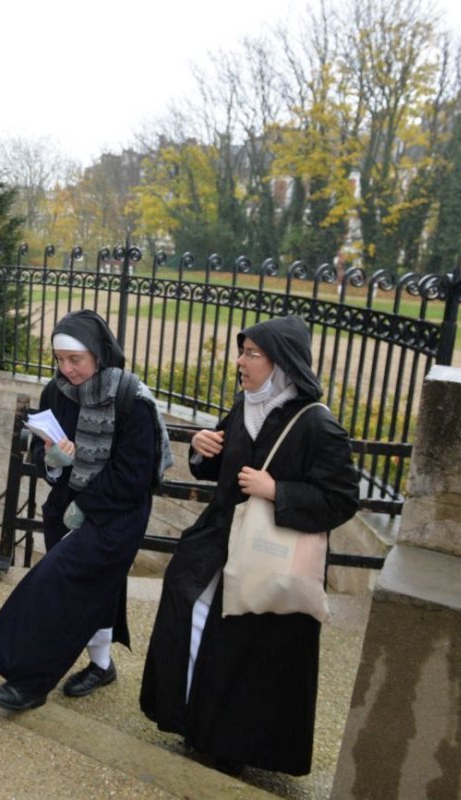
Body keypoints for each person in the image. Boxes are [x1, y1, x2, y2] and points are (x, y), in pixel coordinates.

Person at [140, 315, 359, 776]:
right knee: (190, 612)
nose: (240, 362)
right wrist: (201, 449)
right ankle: (188, 718)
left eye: (251, 354)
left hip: (269, 557)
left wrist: (277, 490)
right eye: (242, 352)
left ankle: (232, 745)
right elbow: (215, 466)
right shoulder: (245, 407)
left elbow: (341, 499)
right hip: (219, 542)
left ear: (280, 364)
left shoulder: (318, 427)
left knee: (245, 649)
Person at [0, 310, 173, 711]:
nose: (66, 369)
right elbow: (41, 449)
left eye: (74, 360)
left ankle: (29, 681)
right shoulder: (56, 391)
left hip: (116, 516)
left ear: (99, 354)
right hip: (65, 506)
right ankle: (101, 665)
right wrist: (52, 460)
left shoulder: (132, 401)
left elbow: (133, 476)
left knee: (53, 586)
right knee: (95, 590)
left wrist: (86, 506)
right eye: (60, 360)